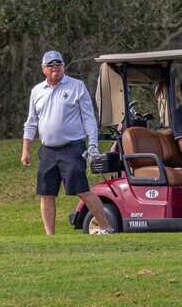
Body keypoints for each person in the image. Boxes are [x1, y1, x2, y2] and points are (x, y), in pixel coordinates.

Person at [21, 50, 114, 235]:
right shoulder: (37, 91)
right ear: (44, 70)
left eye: (58, 64)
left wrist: (93, 145)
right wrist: (26, 150)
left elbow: (88, 119)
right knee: (46, 194)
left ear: (63, 66)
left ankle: (106, 228)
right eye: (51, 65)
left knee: (82, 190)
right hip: (47, 150)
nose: (55, 67)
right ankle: (50, 237)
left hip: (72, 148)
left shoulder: (76, 86)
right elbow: (31, 122)